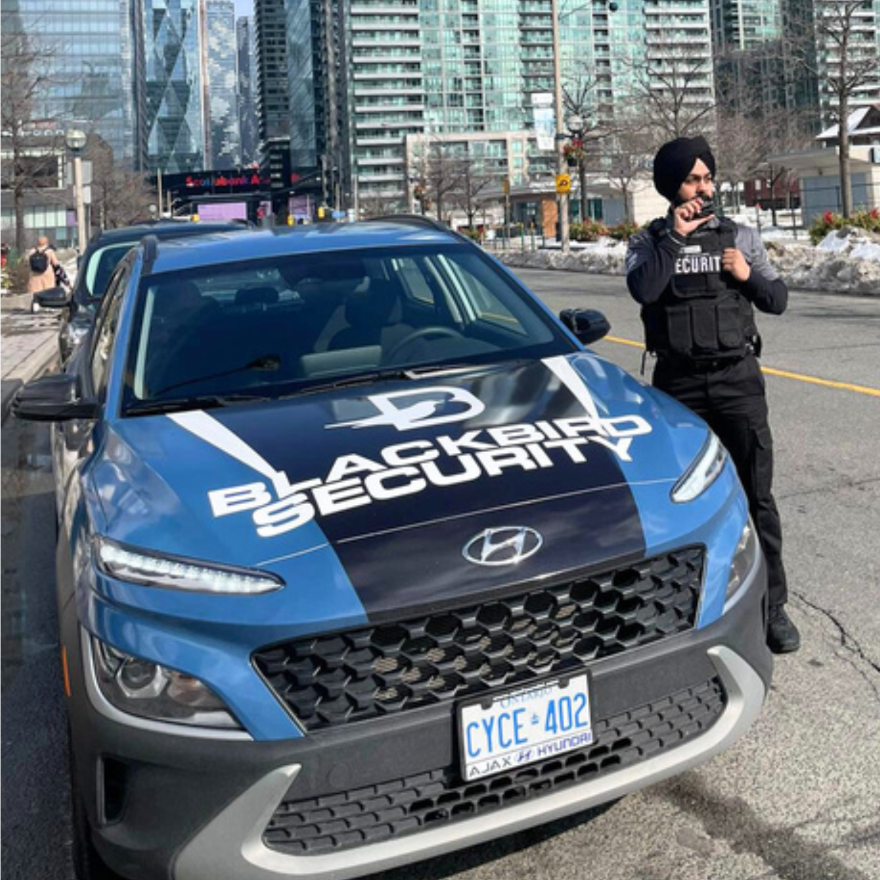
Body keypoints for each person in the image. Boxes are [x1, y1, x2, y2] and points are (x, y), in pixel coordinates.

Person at [625, 135, 800, 654]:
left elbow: (779, 299)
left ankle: (775, 607)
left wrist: (745, 277)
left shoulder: (739, 236)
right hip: (677, 388)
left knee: (756, 495)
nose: (703, 188)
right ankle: (681, 611)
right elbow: (644, 290)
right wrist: (675, 240)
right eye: (692, 179)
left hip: (735, 381)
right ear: (671, 187)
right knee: (674, 503)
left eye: (707, 178)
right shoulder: (648, 242)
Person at [25, 235, 61, 311]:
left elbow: (27, 262)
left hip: (35, 274)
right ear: (46, 242)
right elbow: (55, 263)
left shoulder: (32, 251)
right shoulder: (49, 251)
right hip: (47, 273)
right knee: (48, 289)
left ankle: (36, 304)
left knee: (36, 290)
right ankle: (48, 305)